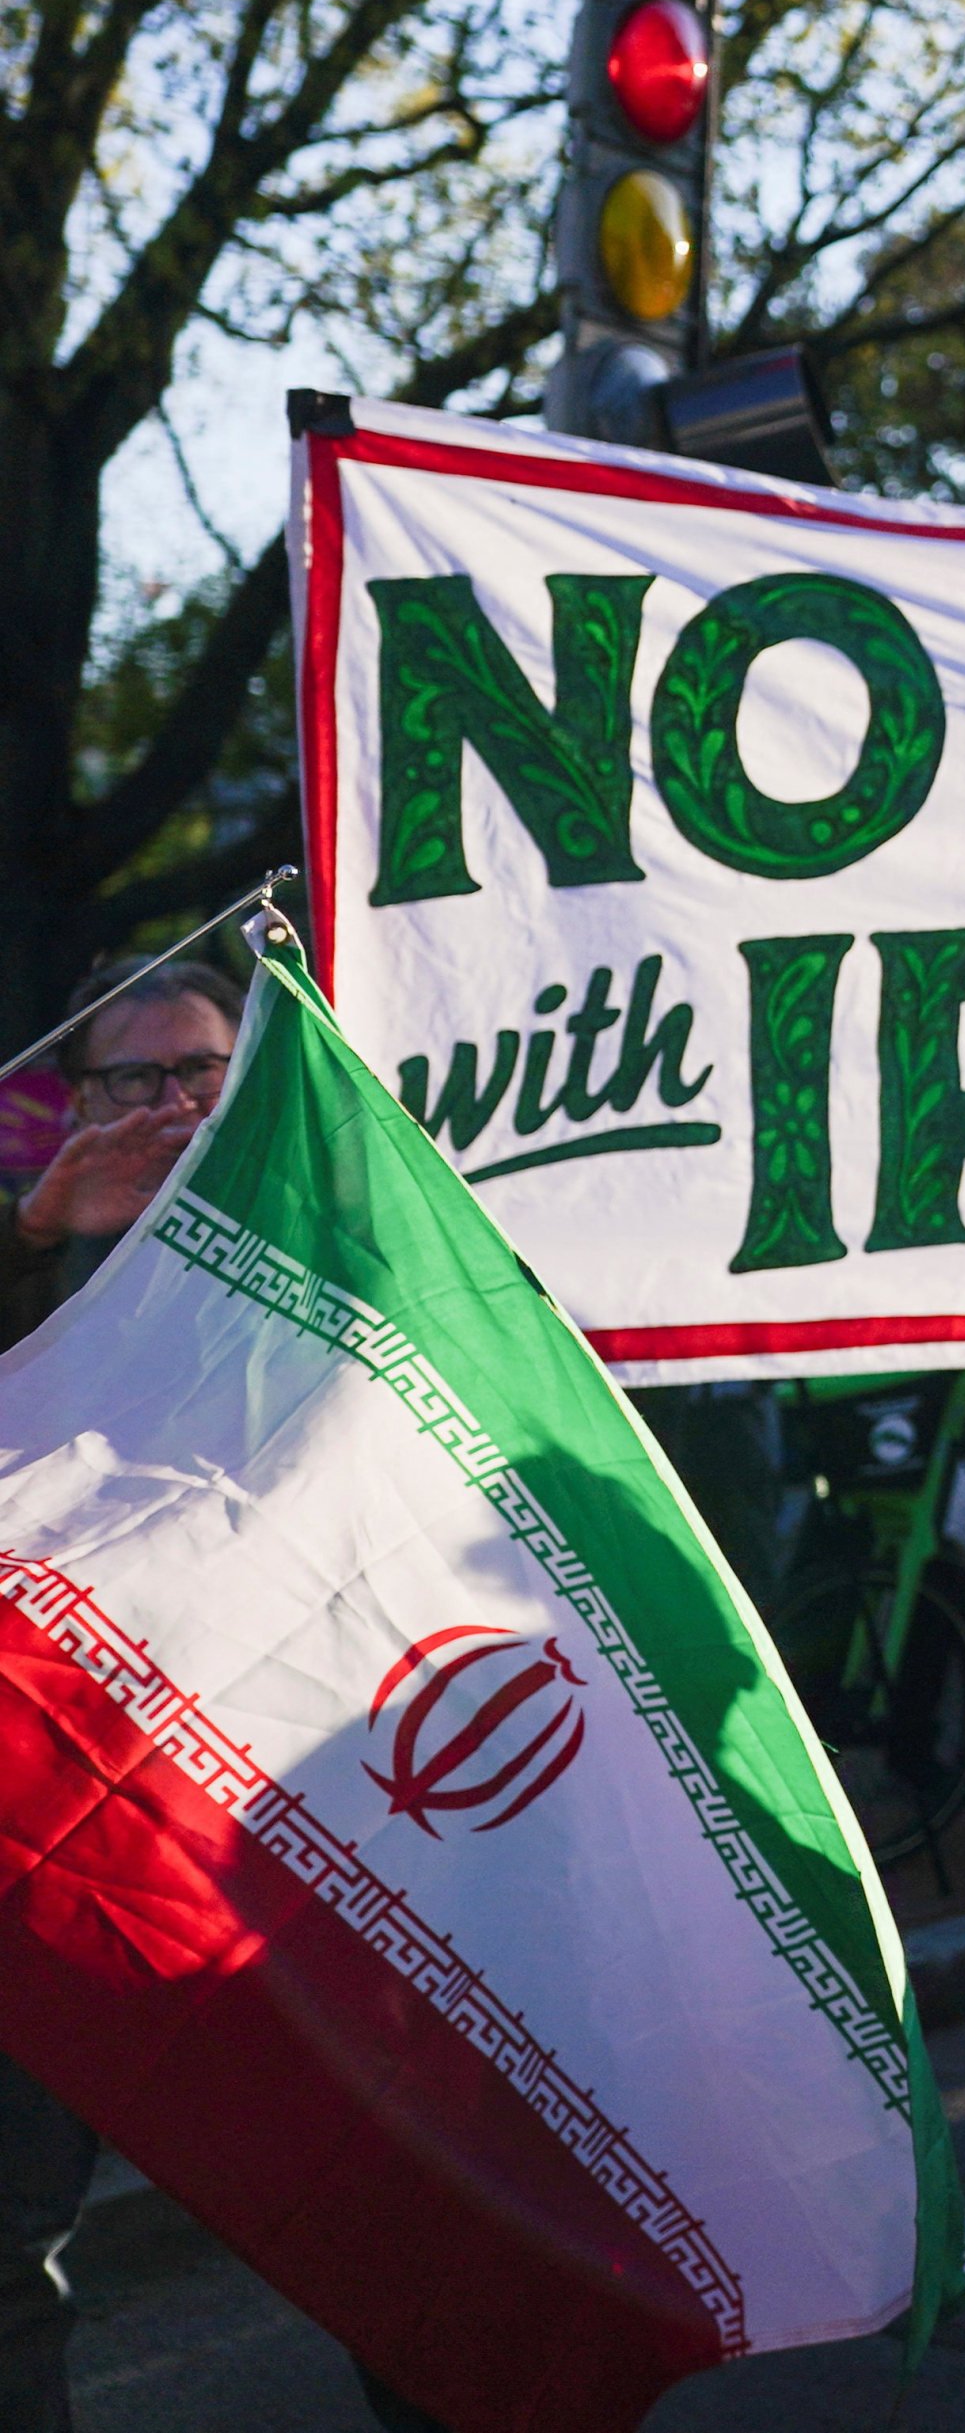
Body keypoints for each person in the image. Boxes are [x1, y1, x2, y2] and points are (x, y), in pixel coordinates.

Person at [1, 959, 243, 2433]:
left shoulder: (358, 1249)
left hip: (290, 1853)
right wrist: (33, 1241)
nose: (164, 1109)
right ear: (71, 1105)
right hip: (60, 1852)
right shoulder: (35, 1260)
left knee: (394, 2232)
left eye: (198, 1073)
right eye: (126, 1082)